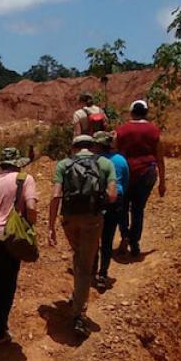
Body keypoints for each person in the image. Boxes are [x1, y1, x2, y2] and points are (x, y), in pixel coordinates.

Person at [47, 135, 117, 337]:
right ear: (93, 146)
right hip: (93, 220)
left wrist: (51, 225)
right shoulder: (104, 163)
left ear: (73, 147)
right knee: (85, 264)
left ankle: (78, 295)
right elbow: (112, 195)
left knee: (79, 255)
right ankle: (79, 314)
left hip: (69, 219)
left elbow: (55, 195)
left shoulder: (63, 164)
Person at [0, 148, 37, 345]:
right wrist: (28, 227)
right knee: (8, 283)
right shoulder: (25, 179)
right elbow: (32, 209)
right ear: (18, 163)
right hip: (8, 236)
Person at [114, 99, 167, 257]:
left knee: (122, 208)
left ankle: (124, 235)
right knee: (138, 209)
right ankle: (134, 242)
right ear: (146, 112)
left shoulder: (121, 130)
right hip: (147, 173)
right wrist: (162, 182)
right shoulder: (154, 130)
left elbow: (116, 152)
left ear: (131, 113)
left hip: (126, 173)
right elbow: (160, 156)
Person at [93, 132, 130, 288]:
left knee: (94, 237)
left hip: (97, 200)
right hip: (116, 199)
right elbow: (126, 181)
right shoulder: (121, 160)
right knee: (108, 238)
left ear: (97, 145)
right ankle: (103, 273)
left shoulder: (94, 161)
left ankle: (91, 269)